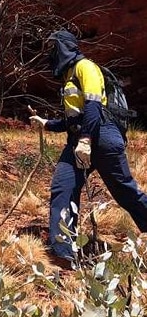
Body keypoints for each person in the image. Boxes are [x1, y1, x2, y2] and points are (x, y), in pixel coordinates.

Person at [30, 30, 147, 264]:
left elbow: (93, 107)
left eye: (54, 48)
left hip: (101, 137)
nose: (51, 54)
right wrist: (48, 124)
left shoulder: (86, 67)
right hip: (79, 139)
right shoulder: (68, 75)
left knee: (124, 191)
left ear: (64, 47)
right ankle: (63, 252)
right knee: (62, 188)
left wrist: (86, 141)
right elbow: (74, 118)